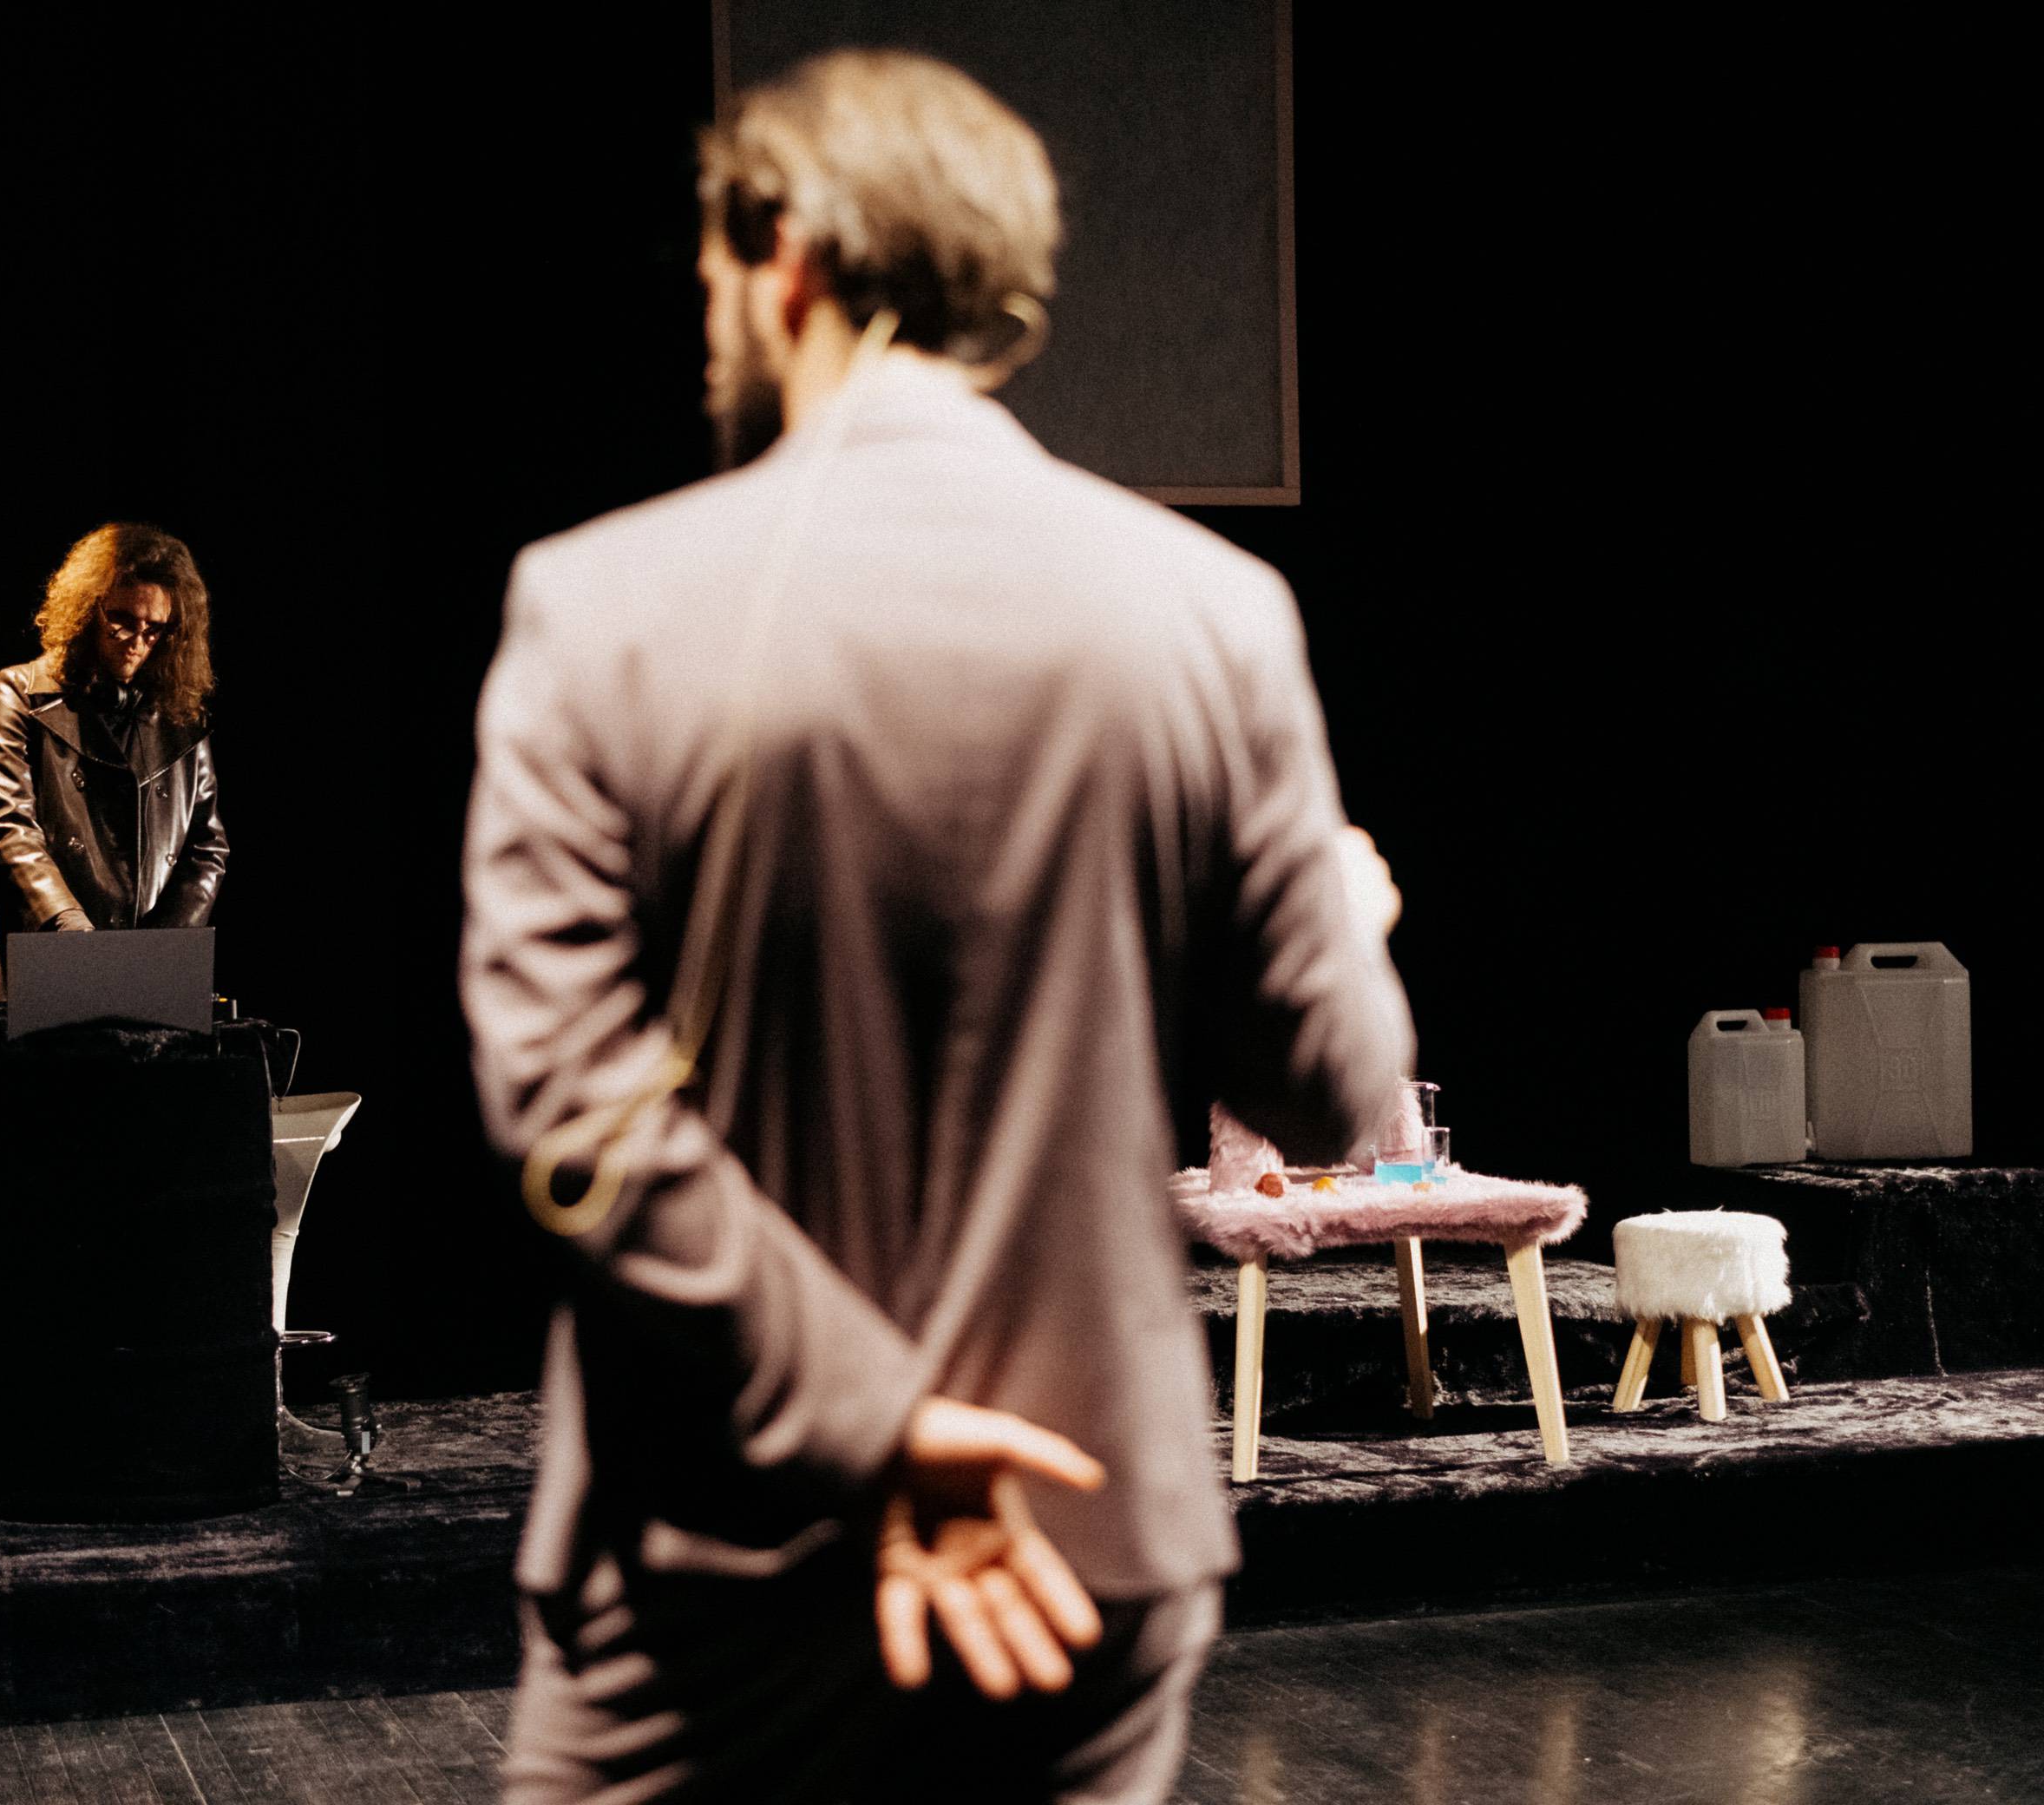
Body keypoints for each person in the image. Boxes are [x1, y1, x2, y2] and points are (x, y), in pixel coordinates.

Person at [459, 49, 1412, 1805]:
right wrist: (1347, 905)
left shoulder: (593, 609)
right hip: (1083, 1551)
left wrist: (883, 1425)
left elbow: (569, 1114)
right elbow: (1342, 1095)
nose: (708, 321)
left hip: (710, 1575)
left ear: (791, 253)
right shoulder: (1219, 612)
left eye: (715, 272)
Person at [0, 520, 230, 1016]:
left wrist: (161, 952)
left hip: (146, 971)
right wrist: (69, 928)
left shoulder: (182, 719)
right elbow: (11, 825)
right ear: (87, 609)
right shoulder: (19, 691)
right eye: (121, 620)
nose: (137, 641)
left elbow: (207, 847)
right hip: (40, 951)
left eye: (155, 629)